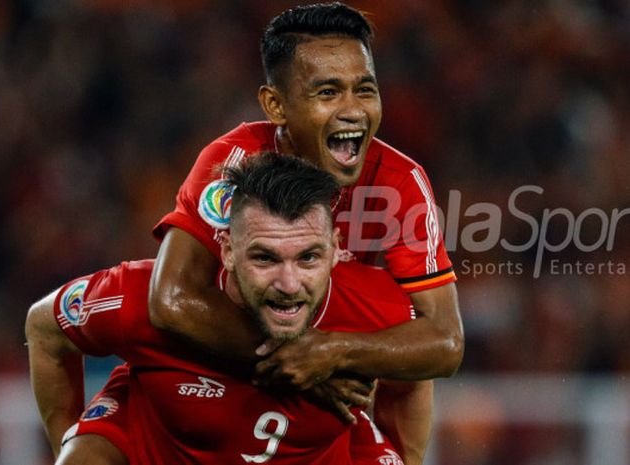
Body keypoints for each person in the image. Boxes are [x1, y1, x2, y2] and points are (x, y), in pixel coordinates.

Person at [32, 2, 463, 464]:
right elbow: (171, 298)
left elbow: (439, 344)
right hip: (205, 359)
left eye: (365, 90)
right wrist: (296, 361)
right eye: (328, 92)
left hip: (317, 369)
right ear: (276, 105)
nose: (352, 111)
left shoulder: (400, 184)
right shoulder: (231, 161)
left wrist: (332, 352)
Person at [27, 152, 413, 465]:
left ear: (335, 249)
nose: (289, 284)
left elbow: (418, 368)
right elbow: (43, 329)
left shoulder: (375, 305)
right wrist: (67, 439)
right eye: (265, 259)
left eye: (308, 258)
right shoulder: (144, 299)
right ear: (227, 251)